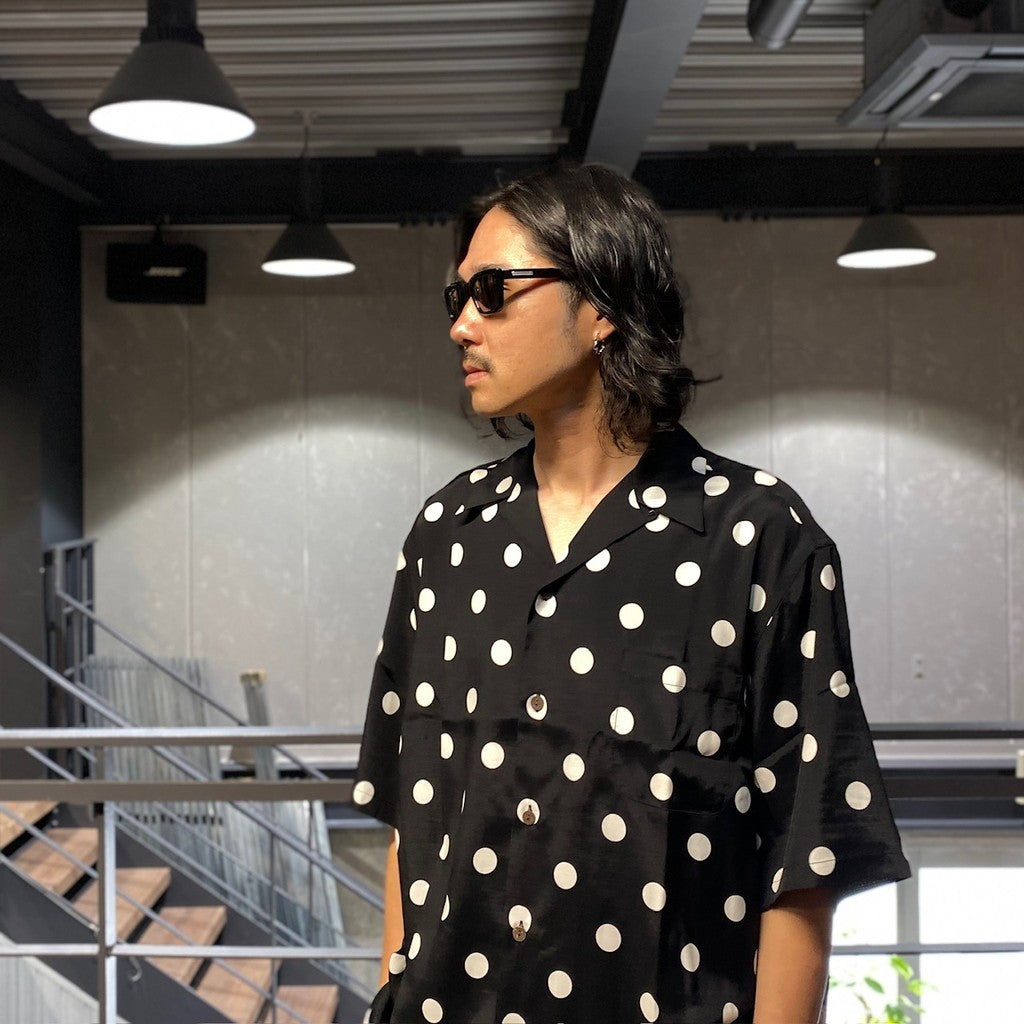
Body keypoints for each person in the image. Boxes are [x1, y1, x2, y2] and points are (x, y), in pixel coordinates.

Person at [352, 162, 911, 1024]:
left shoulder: (755, 540)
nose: (462, 325)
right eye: (457, 298)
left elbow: (806, 858)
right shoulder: (447, 534)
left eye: (493, 291)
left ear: (602, 304)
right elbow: (412, 810)